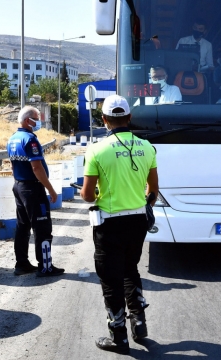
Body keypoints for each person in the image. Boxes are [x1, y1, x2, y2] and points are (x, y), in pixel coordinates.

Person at [81, 95, 159, 354]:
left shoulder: (96, 149)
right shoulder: (147, 147)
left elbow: (88, 195)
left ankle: (118, 337)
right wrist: (140, 201)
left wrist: (100, 195)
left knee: (110, 279)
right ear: (129, 118)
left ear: (104, 120)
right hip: (137, 222)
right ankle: (138, 322)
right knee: (130, 269)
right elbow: (154, 191)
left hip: (109, 224)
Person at [7, 106, 65, 277]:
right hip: (33, 188)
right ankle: (45, 266)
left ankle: (22, 263)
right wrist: (51, 190)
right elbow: (37, 168)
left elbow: (12, 165)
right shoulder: (30, 140)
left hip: (19, 186)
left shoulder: (12, 139)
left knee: (22, 226)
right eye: (36, 117)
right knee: (42, 227)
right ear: (27, 120)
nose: (38, 120)